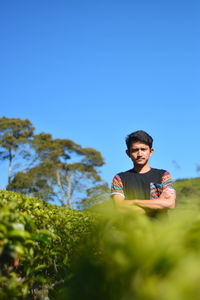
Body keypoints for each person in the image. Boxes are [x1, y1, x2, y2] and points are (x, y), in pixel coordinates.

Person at [111, 130, 176, 215]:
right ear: (128, 153)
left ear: (151, 152)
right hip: (131, 228)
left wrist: (135, 202)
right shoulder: (119, 178)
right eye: (135, 150)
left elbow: (170, 203)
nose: (139, 154)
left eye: (143, 149)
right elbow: (119, 208)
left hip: (161, 228)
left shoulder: (163, 175)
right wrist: (158, 203)